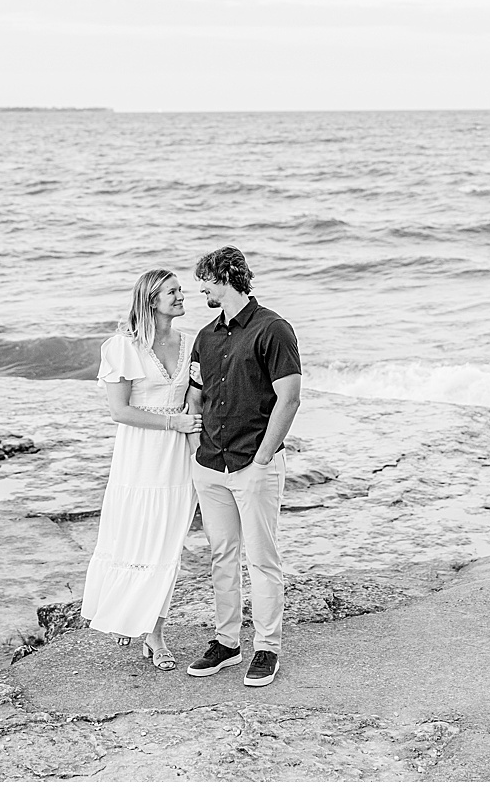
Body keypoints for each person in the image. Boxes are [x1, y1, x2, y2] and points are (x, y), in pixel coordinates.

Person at [184, 246, 302, 689]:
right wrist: (197, 446)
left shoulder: (273, 329)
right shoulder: (205, 336)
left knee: (262, 559)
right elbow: (195, 396)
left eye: (207, 281)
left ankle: (266, 647)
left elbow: (288, 399)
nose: (202, 289)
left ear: (229, 277)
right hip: (210, 464)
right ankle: (226, 642)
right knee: (222, 556)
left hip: (256, 463)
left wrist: (263, 458)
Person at [80, 269, 202, 669]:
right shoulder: (123, 346)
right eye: (173, 291)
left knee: (168, 547)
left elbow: (195, 403)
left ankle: (149, 627)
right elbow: (120, 411)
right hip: (140, 457)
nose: (182, 296)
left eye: (181, 290)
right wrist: (174, 423)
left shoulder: (191, 343)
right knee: (136, 541)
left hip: (178, 457)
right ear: (151, 300)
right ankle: (147, 629)